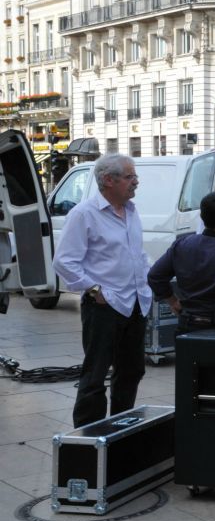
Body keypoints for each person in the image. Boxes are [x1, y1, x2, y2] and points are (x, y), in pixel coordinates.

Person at [53, 154, 152, 427]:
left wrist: (148, 281)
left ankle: (121, 428)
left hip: (135, 303)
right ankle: (87, 437)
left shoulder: (131, 211)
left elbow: (137, 255)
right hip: (104, 306)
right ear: (109, 180)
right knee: (95, 375)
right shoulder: (84, 214)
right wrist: (94, 288)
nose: (136, 182)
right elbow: (64, 261)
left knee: (131, 371)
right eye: (130, 177)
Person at [148, 191, 215, 331]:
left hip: (187, 323)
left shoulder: (181, 245)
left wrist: (173, 301)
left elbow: (155, 276)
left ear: (202, 217)